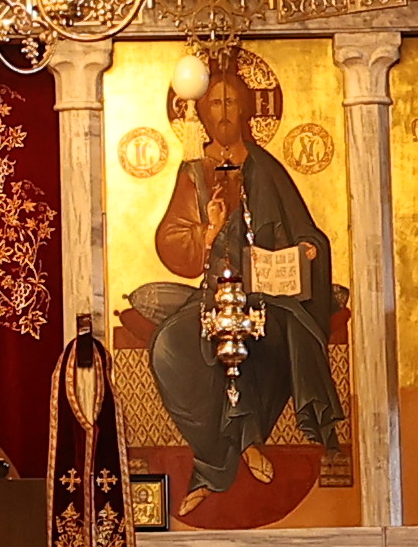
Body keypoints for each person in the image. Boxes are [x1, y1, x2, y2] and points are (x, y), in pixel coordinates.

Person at [132, 50, 336, 502]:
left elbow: (307, 233)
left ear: (245, 110)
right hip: (213, 298)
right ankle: (217, 458)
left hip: (268, 296)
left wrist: (306, 250)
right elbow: (172, 240)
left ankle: (233, 455)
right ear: (202, 114)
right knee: (169, 348)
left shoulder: (267, 168)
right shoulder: (194, 171)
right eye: (214, 104)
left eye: (230, 103)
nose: (223, 113)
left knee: (275, 340)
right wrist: (207, 231)